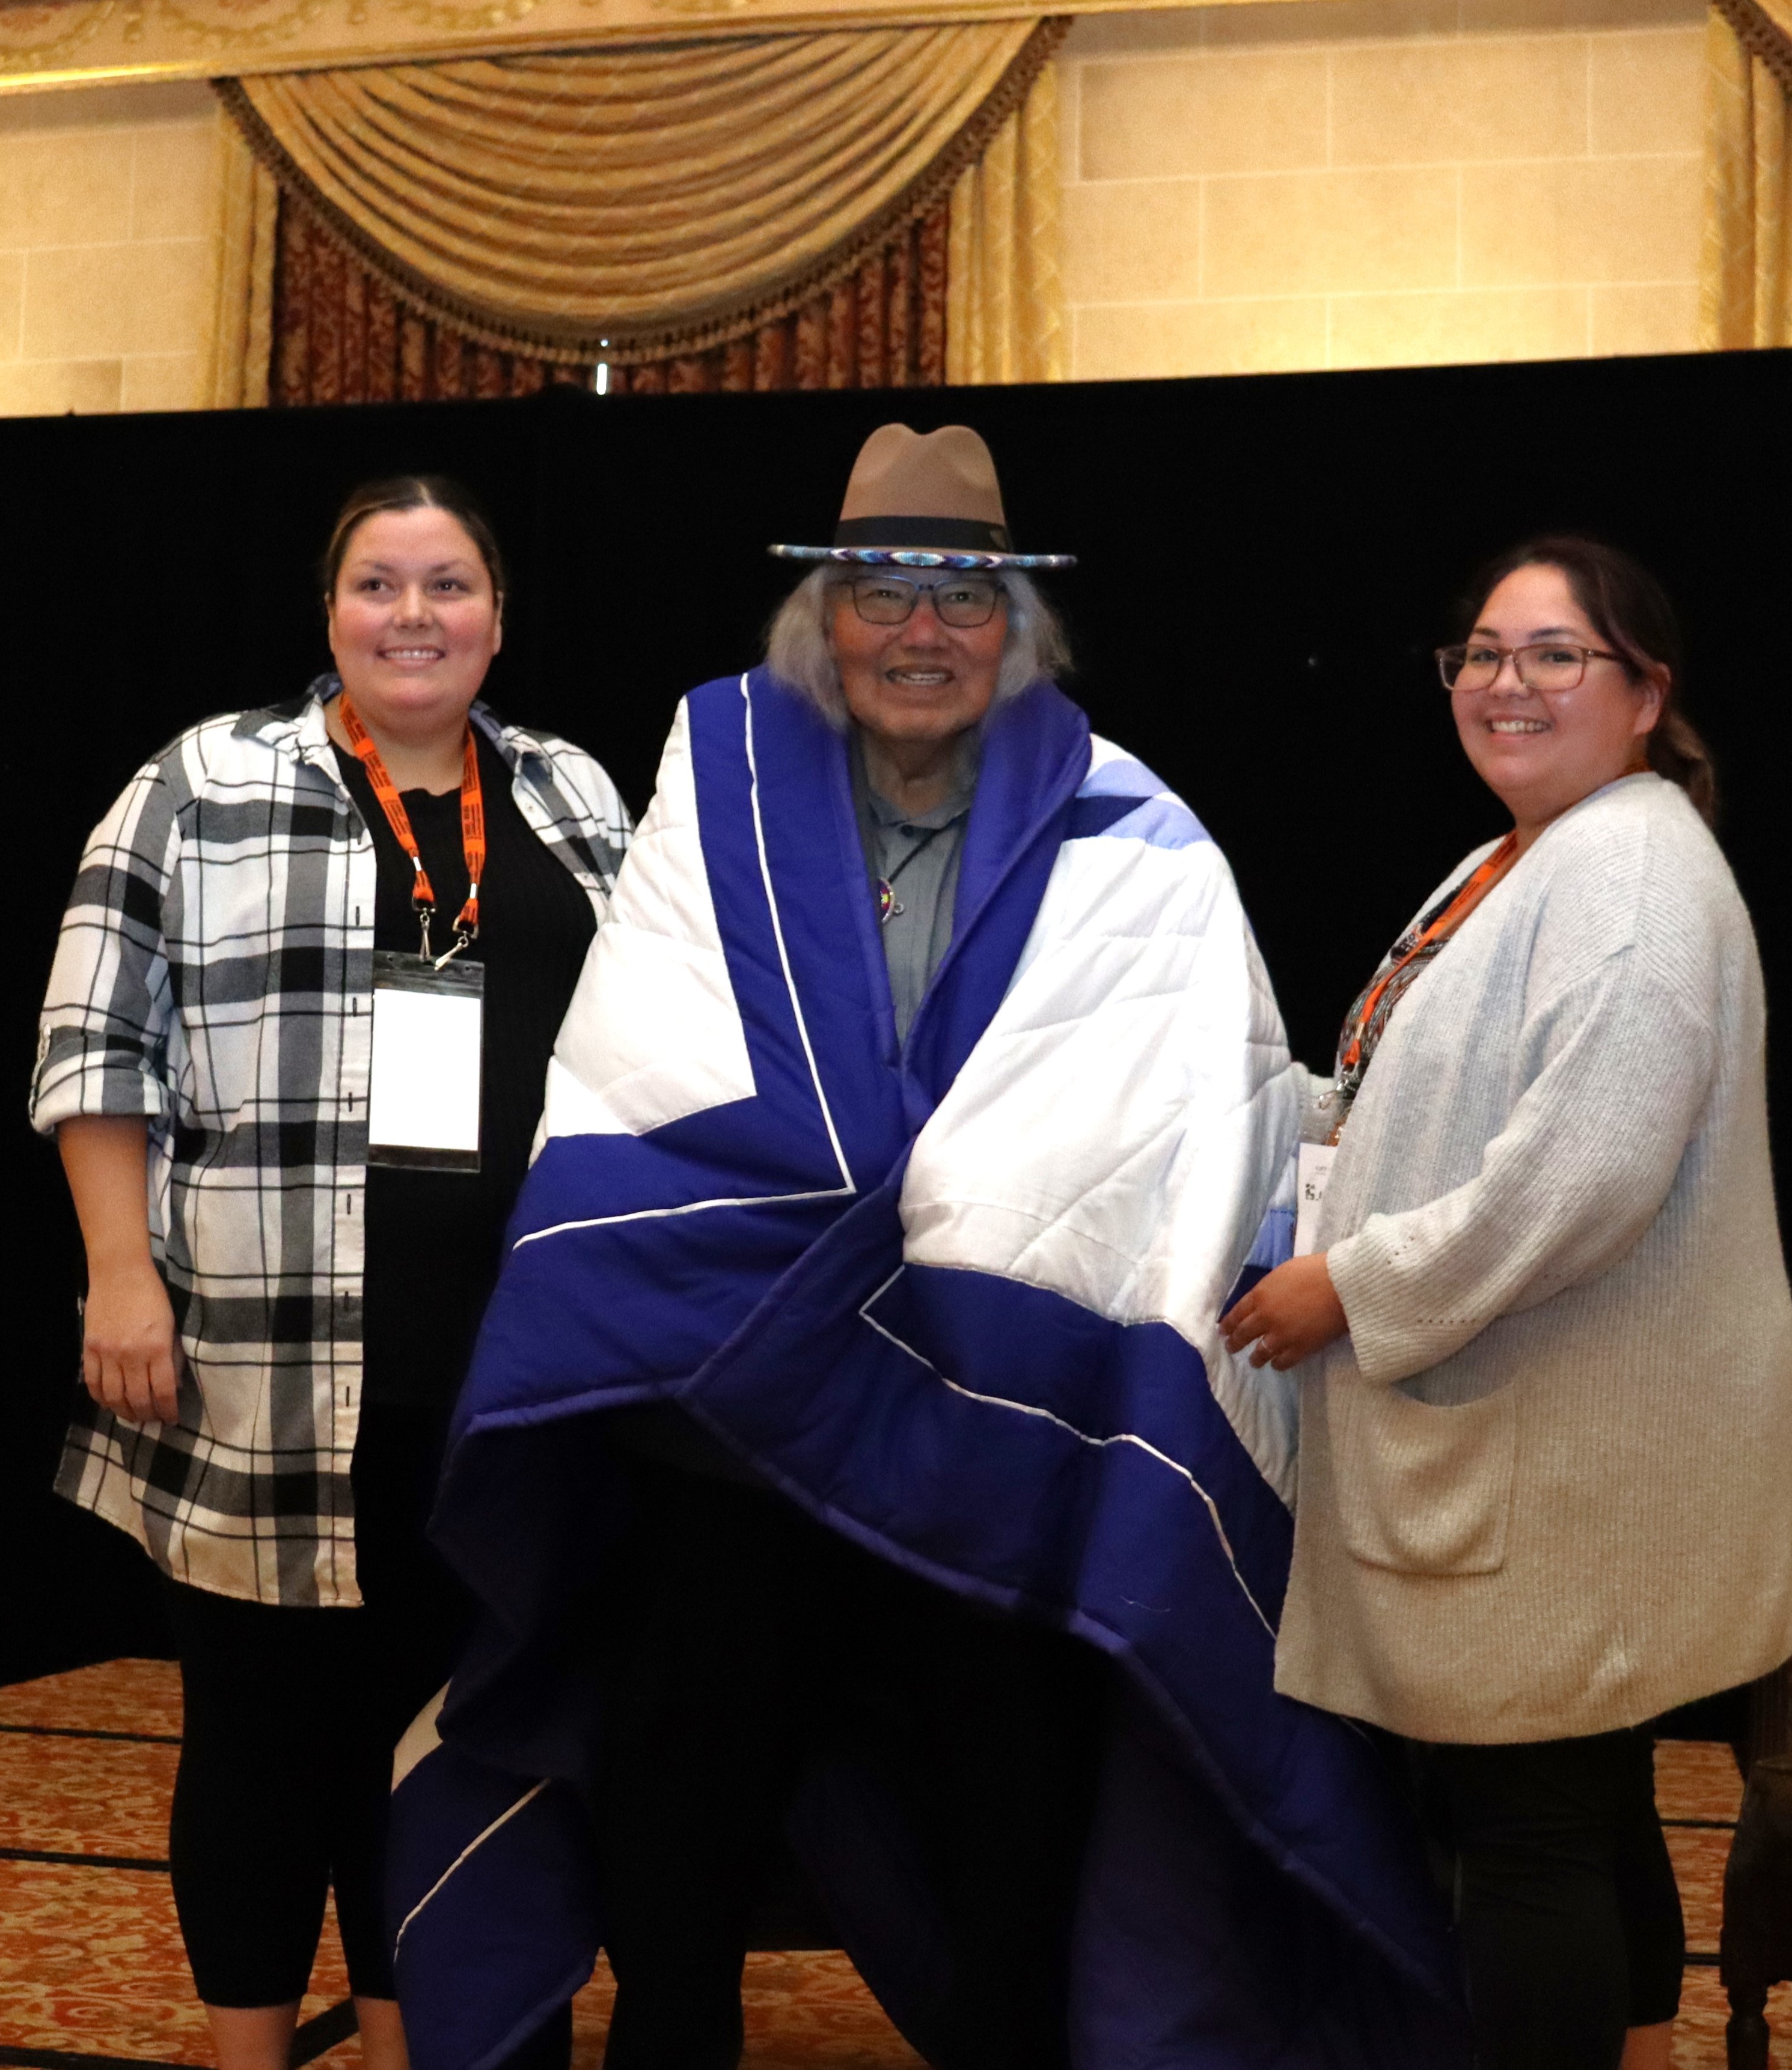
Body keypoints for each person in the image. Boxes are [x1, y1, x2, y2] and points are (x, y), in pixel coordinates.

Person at [385, 426, 1471, 2070]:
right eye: (881, 591)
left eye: (963, 597)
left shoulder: (1139, 838)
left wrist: (969, 1194)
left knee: (1010, 1828)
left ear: (1019, 628)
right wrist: (845, 1190)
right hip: (732, 1430)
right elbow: (647, 1057)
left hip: (987, 1442)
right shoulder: (722, 780)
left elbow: (1199, 1107)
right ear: (825, 617)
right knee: (678, 1821)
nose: (919, 630)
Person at [31, 476, 629, 2070]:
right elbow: (95, 1044)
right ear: (329, 613)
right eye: (380, 584)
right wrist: (117, 1275)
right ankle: (245, 2053)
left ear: (500, 615)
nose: (415, 616)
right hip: (259, 1354)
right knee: (259, 1732)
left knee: (444, 1733)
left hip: (513, 1368)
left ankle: (401, 2036)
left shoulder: (574, 794)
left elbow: (654, 1063)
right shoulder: (202, 782)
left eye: (450, 585)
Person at [1223, 536, 1792, 2070]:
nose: (1505, 683)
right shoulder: (1530, 851)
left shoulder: (1624, 873)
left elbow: (1580, 1175)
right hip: (1548, 1440)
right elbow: (1396, 1098)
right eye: (1480, 654)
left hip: (1572, 1458)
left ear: (1644, 694)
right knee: (1571, 1807)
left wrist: (1344, 1287)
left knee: (1529, 1834)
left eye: (1555, 654)